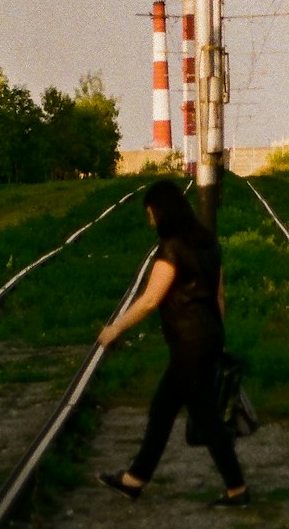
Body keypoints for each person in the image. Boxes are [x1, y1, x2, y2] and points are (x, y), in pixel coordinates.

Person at [97, 180, 249, 508]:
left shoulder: (172, 248)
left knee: (206, 420)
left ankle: (237, 489)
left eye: (151, 213)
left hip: (189, 344)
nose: (150, 220)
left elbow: (151, 299)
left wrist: (116, 328)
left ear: (162, 212)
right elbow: (219, 295)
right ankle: (134, 480)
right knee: (162, 410)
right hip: (206, 338)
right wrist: (216, 337)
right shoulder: (208, 243)